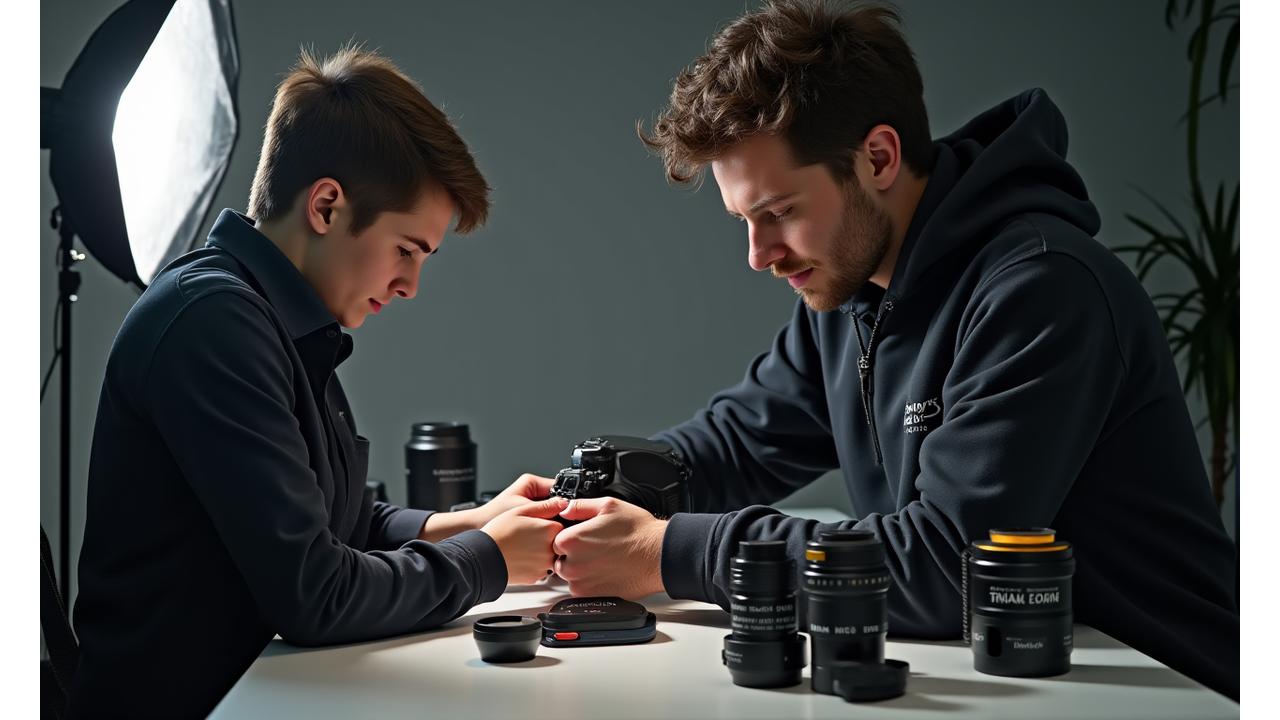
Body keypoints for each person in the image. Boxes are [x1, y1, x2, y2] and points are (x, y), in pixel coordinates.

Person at [549, 0, 1239, 699]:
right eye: (744, 220)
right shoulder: (850, 294)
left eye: (779, 211)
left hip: (1164, 688)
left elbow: (946, 570)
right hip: (1025, 686)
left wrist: (664, 552)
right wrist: (583, 494)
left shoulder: (1044, 289)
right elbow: (732, 446)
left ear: (877, 157)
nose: (758, 255)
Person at [68, 47, 566, 717]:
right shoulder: (211, 323)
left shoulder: (281, 322)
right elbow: (317, 595)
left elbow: (340, 524)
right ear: (327, 206)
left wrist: (468, 524)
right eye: (406, 251)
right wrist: (489, 559)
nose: (410, 286)